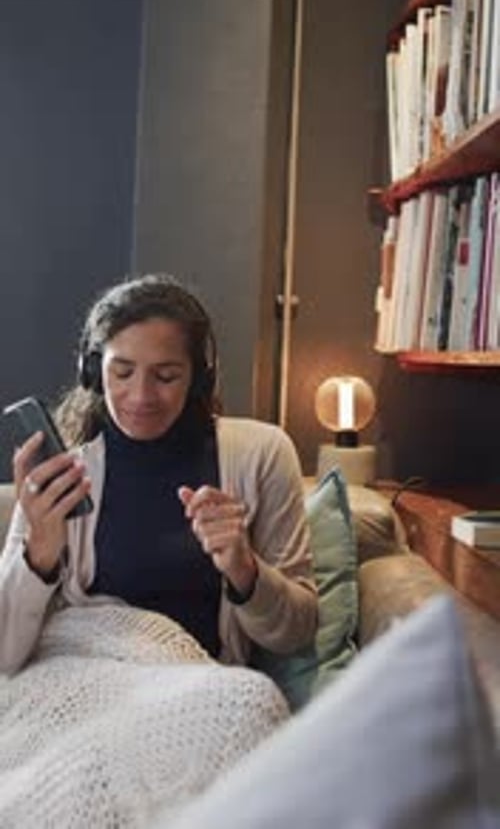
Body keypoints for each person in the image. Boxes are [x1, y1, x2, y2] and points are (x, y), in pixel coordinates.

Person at [0, 273, 317, 674]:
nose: (141, 396)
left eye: (166, 376)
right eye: (122, 372)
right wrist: (39, 552)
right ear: (93, 371)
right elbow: (4, 654)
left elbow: (297, 633)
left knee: (254, 700)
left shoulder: (262, 454)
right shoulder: (62, 475)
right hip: (85, 675)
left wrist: (246, 569)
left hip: (197, 684)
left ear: (199, 377)